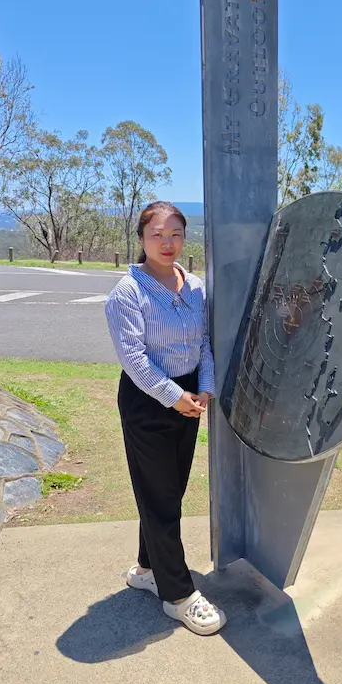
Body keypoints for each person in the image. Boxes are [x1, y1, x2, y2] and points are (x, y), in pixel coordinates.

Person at [105, 201, 226, 636]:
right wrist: (175, 398)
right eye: (157, 234)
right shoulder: (127, 293)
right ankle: (178, 595)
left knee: (168, 492)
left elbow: (204, 342)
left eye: (175, 233)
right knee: (159, 497)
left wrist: (205, 388)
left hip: (190, 395)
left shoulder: (194, 286)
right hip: (148, 402)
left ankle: (145, 569)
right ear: (141, 239)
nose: (167, 242)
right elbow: (134, 359)